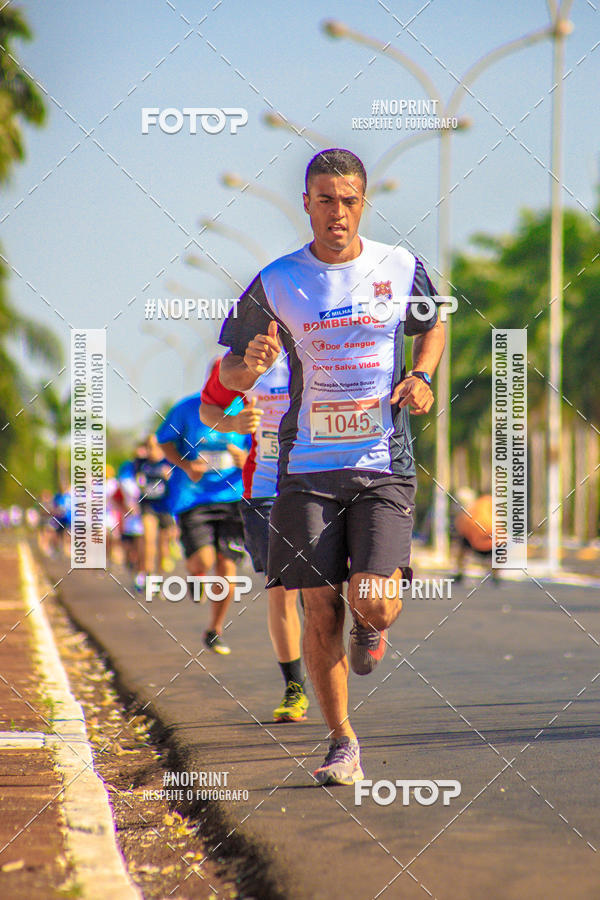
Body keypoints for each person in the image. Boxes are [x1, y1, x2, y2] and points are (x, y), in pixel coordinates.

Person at [218, 148, 446, 785]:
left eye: (348, 201)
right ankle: (342, 741)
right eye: (325, 200)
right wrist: (252, 365)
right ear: (307, 204)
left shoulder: (400, 267)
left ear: (362, 203)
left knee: (372, 604)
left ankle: (371, 627)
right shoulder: (275, 281)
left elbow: (431, 328)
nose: (337, 213)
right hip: (307, 468)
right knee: (319, 608)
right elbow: (230, 370)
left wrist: (421, 375)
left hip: (381, 463)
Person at [200, 354, 309, 722]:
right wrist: (233, 421)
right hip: (264, 489)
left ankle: (358, 634)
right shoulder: (243, 358)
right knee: (281, 590)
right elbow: (208, 409)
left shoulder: (326, 339)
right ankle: (295, 688)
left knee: (322, 594)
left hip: (320, 483)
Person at [156, 380, 251, 654]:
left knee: (227, 567)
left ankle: (215, 629)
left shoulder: (245, 407)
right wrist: (186, 465)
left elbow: (262, 444)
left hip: (233, 496)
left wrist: (245, 457)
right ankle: (196, 573)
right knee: (204, 560)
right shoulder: (187, 408)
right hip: (194, 496)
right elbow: (163, 441)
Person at [136, 434, 175, 575]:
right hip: (148, 505)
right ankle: (149, 574)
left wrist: (170, 478)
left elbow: (180, 484)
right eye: (150, 447)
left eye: (157, 447)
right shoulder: (141, 464)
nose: (153, 450)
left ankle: (159, 575)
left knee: (163, 546)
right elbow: (133, 479)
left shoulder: (168, 462)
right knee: (149, 540)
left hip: (165, 507)